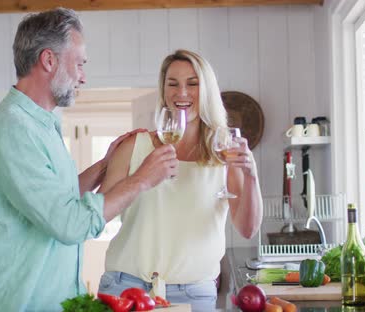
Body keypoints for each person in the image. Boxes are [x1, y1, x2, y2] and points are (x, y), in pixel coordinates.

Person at [0, 8, 178, 312]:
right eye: (79, 64)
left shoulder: (42, 124)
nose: (83, 77)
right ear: (48, 60)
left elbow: (55, 201)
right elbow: (69, 224)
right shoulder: (12, 129)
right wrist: (141, 179)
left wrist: (104, 166)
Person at [97, 49, 263, 311]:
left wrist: (252, 176)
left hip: (194, 294)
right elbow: (97, 215)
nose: (181, 93)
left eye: (193, 84)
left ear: (207, 90)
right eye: (172, 84)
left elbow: (247, 228)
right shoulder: (134, 145)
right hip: (125, 287)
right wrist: (140, 177)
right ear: (163, 91)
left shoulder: (224, 153)